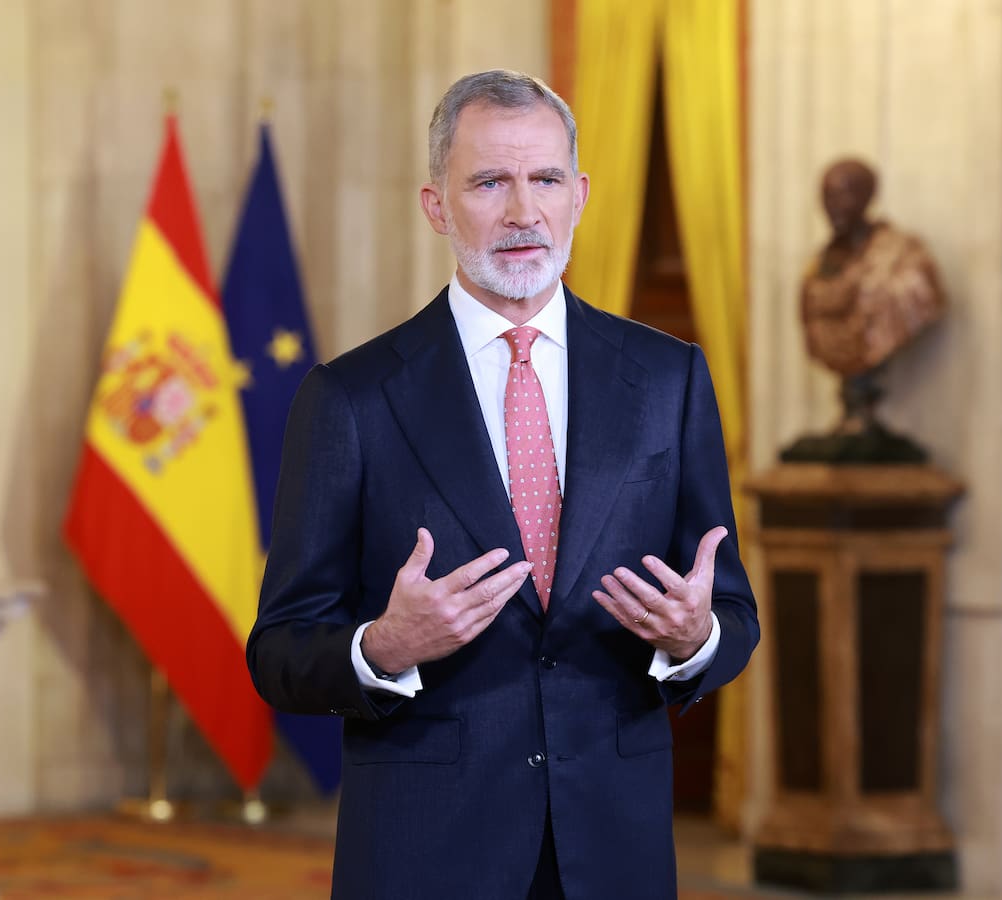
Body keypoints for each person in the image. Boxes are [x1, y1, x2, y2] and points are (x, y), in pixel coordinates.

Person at [247, 69, 759, 900]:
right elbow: (278, 651)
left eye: (545, 179)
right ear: (437, 206)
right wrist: (384, 647)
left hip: (612, 850)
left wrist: (696, 635)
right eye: (490, 182)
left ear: (579, 196)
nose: (524, 212)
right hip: (426, 856)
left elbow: (733, 615)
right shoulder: (352, 398)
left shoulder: (671, 380)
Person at [800, 159, 945, 396]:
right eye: (826, 196)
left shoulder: (900, 258)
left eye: (841, 195)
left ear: (866, 197)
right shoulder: (818, 263)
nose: (832, 206)